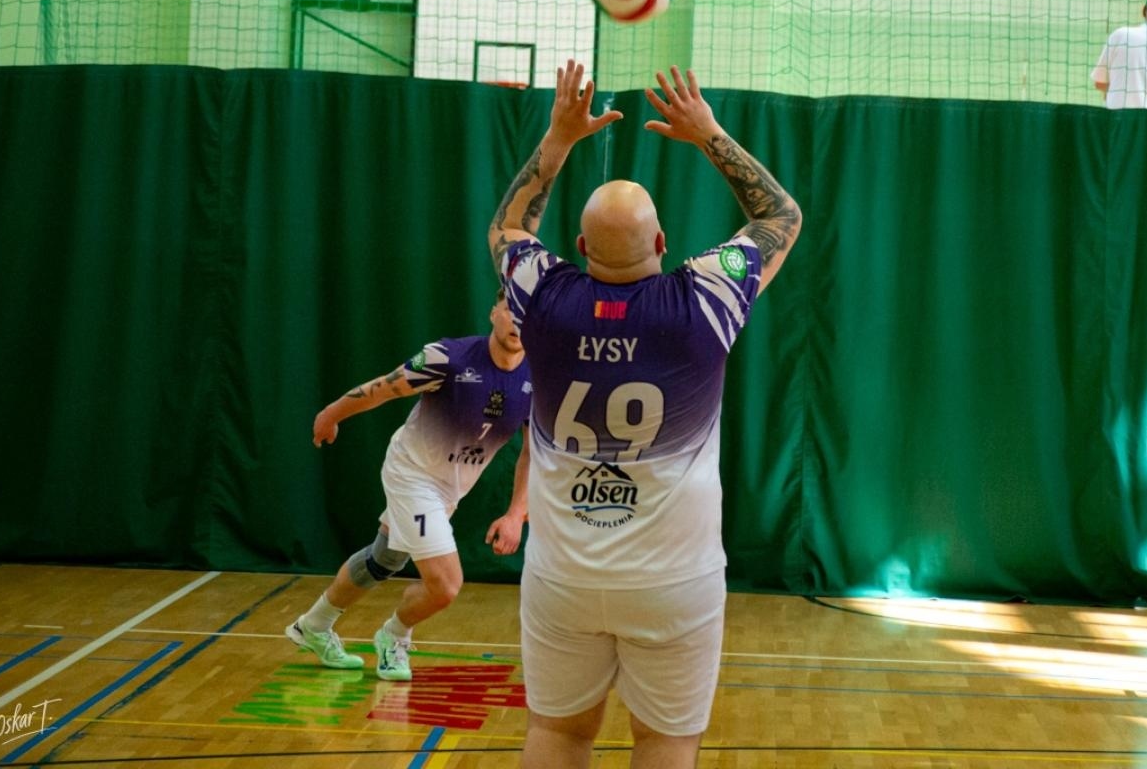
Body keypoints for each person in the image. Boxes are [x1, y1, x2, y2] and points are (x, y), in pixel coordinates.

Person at [486, 60, 801, 769]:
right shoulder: (704, 303)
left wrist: (560, 137)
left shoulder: (541, 294)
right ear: (663, 245)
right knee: (665, 745)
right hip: (672, 583)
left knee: (558, 734)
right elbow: (781, 217)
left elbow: (508, 225)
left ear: (580, 248)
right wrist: (708, 132)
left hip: (563, 573)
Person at [287, 290, 533, 680]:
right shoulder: (448, 358)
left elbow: (532, 454)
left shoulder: (539, 378)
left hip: (450, 489)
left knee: (384, 558)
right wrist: (331, 413)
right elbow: (384, 388)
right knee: (447, 585)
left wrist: (516, 514)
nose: (518, 321)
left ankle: (312, 626)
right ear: (493, 313)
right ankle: (393, 636)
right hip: (412, 473)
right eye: (510, 310)